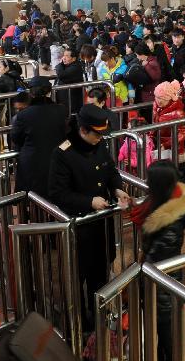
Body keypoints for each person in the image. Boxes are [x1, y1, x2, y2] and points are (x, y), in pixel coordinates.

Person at [48, 105, 131, 333]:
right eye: (96, 134)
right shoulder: (63, 153)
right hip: (78, 227)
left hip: (100, 225)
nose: (100, 138)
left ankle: (99, 320)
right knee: (77, 278)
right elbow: (57, 193)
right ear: (83, 130)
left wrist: (116, 189)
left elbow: (111, 170)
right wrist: (88, 202)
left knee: (100, 273)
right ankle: (79, 326)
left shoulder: (100, 144)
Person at [127, 161, 185, 361]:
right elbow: (144, 212)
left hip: (164, 285)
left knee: (168, 337)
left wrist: (137, 271)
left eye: (149, 180)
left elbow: (155, 259)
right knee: (156, 332)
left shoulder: (170, 222)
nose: (145, 183)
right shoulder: (164, 203)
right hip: (156, 284)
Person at [11, 77, 68, 198]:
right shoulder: (61, 110)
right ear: (48, 91)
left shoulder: (23, 115)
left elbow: (16, 138)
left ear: (31, 93)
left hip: (32, 163)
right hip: (57, 161)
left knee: (33, 200)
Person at [151, 80, 185, 163]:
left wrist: (167, 144)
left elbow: (182, 133)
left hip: (174, 149)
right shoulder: (156, 106)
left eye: (162, 99)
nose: (159, 101)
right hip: (159, 144)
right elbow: (154, 123)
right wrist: (150, 137)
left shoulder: (178, 113)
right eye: (157, 97)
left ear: (170, 98)